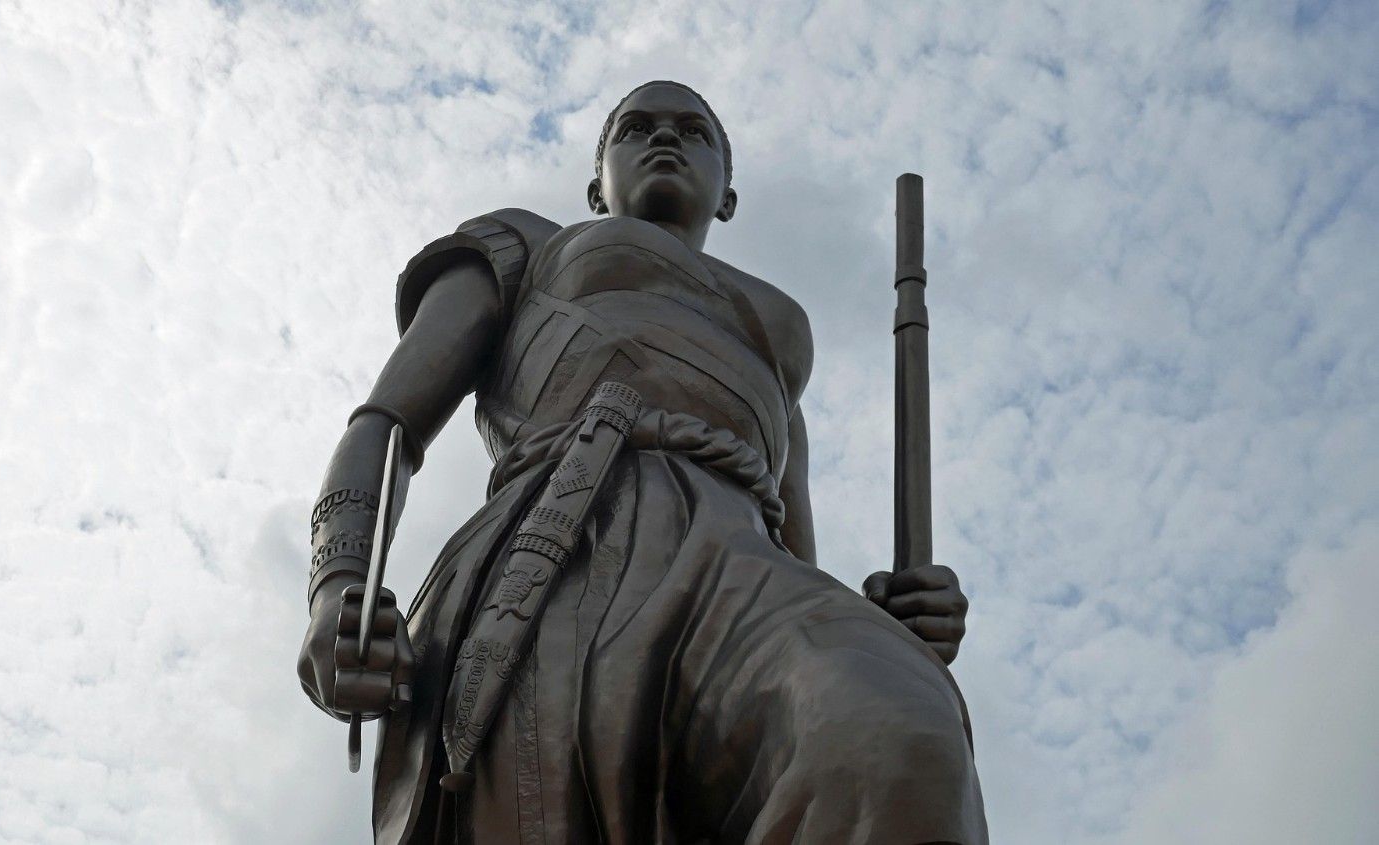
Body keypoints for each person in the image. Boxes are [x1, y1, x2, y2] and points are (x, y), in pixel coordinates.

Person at [297, 80, 988, 844]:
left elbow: (794, 550)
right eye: (636, 127)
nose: (664, 137)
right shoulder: (526, 245)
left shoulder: (778, 339)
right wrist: (337, 587)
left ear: (728, 194)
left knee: (894, 727)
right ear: (597, 187)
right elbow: (386, 425)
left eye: (693, 131)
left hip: (739, 570)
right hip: (562, 546)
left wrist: (892, 624)